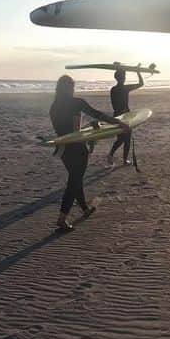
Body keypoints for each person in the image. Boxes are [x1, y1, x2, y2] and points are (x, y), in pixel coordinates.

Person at [50, 74, 126, 232]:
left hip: (63, 149)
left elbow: (65, 130)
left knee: (76, 178)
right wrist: (118, 122)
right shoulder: (76, 102)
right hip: (77, 148)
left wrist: (87, 127)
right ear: (71, 88)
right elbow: (97, 114)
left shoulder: (54, 107)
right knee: (74, 181)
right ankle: (62, 218)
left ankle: (84, 209)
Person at [106, 67, 144, 166]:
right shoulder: (125, 88)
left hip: (117, 115)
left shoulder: (113, 89)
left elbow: (114, 105)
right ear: (123, 78)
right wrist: (138, 72)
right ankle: (117, 157)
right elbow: (141, 83)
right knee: (125, 138)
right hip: (126, 116)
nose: (125, 78)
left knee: (122, 138)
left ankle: (117, 157)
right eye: (124, 76)